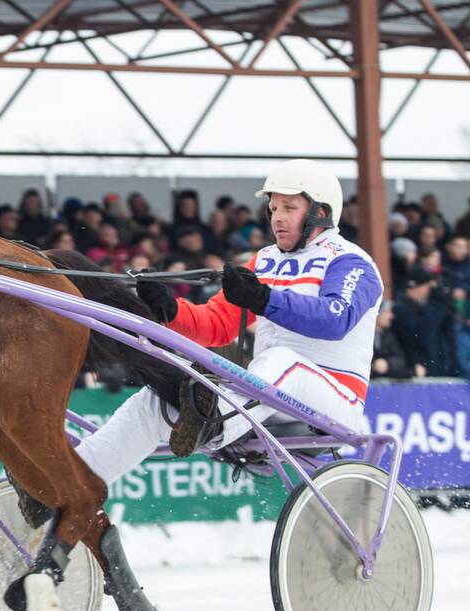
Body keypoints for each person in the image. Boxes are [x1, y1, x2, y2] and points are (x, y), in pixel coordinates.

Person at [78, 159, 382, 485]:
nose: (277, 216)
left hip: (334, 402)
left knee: (281, 362)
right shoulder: (264, 260)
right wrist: (168, 310)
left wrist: (264, 299)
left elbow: (335, 319)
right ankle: (74, 480)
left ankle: (217, 423)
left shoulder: (350, 261)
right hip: (265, 398)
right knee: (155, 400)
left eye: (289, 208)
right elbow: (218, 324)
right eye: (273, 207)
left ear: (320, 213)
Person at [391, 265, 458, 377]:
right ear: (416, 286)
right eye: (428, 287)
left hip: (437, 367)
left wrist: (444, 304)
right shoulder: (400, 308)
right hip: (415, 370)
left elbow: (449, 331)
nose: (430, 292)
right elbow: (421, 334)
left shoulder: (426, 307)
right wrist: (437, 305)